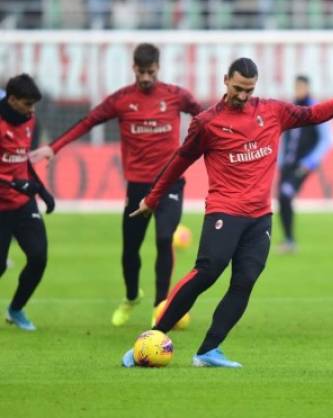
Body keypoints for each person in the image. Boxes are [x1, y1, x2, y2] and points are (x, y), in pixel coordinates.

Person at [121, 57, 333, 368]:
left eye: (248, 90)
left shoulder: (273, 111)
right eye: (238, 88)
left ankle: (208, 351)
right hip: (225, 210)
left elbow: (313, 114)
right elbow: (179, 162)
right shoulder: (207, 123)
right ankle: (150, 340)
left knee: (245, 280)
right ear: (226, 80)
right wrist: (153, 198)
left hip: (260, 217)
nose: (242, 95)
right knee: (207, 273)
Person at [29, 43, 203, 326]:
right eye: (141, 71)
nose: (146, 77)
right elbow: (87, 122)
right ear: (134, 68)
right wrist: (54, 147)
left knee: (163, 238)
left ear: (158, 68)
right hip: (137, 187)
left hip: (170, 182)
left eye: (150, 71)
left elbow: (204, 115)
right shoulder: (121, 100)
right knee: (130, 249)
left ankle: (161, 306)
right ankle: (132, 296)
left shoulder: (175, 96)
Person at [0, 74, 54, 331]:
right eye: (27, 104)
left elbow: (23, 161)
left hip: (23, 204)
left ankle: (16, 308)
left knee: (38, 256)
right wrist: (12, 182)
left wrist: (42, 191)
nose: (31, 110)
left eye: (33, 105)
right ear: (11, 100)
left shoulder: (29, 121)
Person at [277, 75, 332, 253]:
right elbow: (283, 136)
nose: (298, 90)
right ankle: (288, 240)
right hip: (287, 164)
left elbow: (325, 139)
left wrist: (310, 162)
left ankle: (290, 241)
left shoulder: (315, 107)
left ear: (307, 87)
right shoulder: (291, 107)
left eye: (301, 87)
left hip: (302, 164)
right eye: (296, 86)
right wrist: (280, 160)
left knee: (285, 194)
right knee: (282, 199)